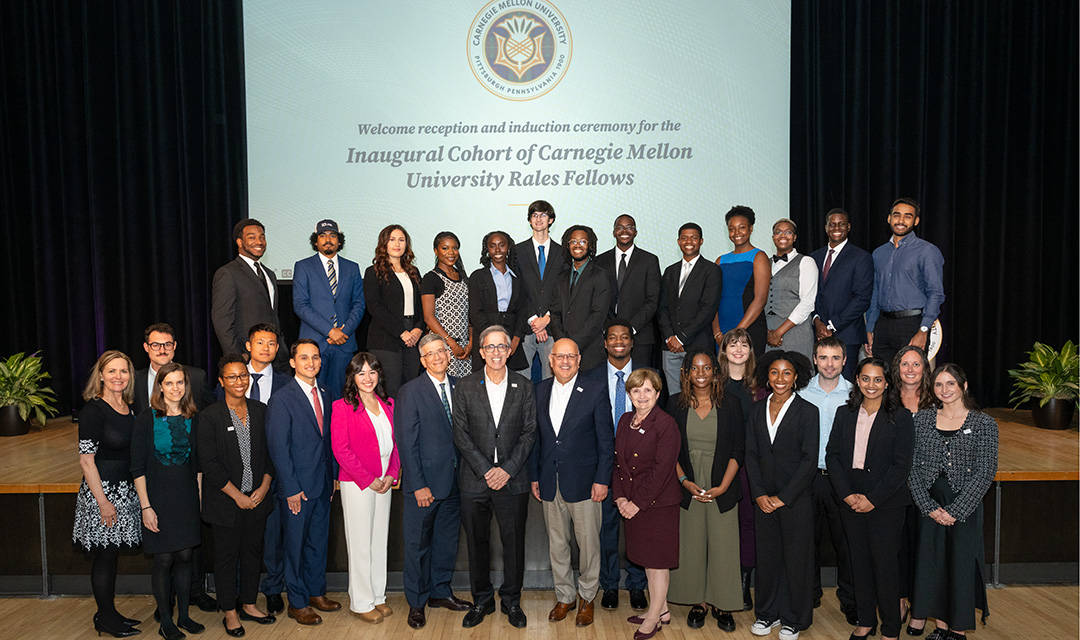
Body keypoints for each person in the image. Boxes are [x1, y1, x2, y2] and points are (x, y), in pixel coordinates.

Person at [453, 325, 537, 628]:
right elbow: (460, 434)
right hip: (475, 480)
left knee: (514, 544)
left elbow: (529, 434)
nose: (496, 352)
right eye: (490, 347)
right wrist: (487, 470)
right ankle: (482, 601)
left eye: (502, 346)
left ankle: (512, 601)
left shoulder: (524, 386)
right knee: (477, 543)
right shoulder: (464, 386)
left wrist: (507, 470)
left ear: (509, 350)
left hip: (513, 480)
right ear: (481, 351)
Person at [825, 357, 915, 640]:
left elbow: (901, 466)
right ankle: (865, 621)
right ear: (857, 380)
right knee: (858, 562)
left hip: (885, 502)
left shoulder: (900, 417)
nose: (871, 385)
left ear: (887, 382)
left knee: (885, 565)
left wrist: (872, 499)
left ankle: (890, 629)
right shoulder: (844, 413)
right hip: (850, 498)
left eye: (878, 379)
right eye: (865, 378)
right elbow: (833, 456)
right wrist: (847, 494)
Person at [908, 364, 997, 639]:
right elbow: (910, 468)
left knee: (959, 564)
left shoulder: (984, 423)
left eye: (950, 384)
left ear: (963, 386)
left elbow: (986, 470)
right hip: (929, 507)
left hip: (965, 508)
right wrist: (929, 507)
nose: (944, 390)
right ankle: (941, 625)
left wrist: (957, 510)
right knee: (931, 565)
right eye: (938, 385)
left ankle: (957, 628)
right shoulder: (920, 420)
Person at [530, 338, 614, 627]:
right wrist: (534, 476)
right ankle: (565, 596)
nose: (565, 362)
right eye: (559, 357)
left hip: (585, 483)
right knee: (557, 544)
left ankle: (587, 597)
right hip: (549, 482)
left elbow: (607, 441)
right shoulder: (539, 390)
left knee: (589, 545)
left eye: (571, 357)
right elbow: (536, 439)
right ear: (550, 360)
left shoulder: (595, 390)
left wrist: (602, 479)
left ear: (579, 360)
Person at [397, 334, 474, 629]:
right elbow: (406, 441)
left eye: (440, 351)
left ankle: (440, 592)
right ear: (422, 360)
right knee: (417, 546)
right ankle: (416, 602)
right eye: (429, 354)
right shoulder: (410, 391)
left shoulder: (461, 386)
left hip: (457, 483)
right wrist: (417, 484)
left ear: (448, 354)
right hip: (425, 485)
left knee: (446, 542)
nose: (437, 357)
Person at [667, 349, 745, 633]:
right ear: (686, 372)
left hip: (721, 482)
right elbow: (669, 450)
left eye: (707, 368)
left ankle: (722, 603)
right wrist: (684, 481)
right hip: (688, 483)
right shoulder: (674, 404)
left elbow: (739, 448)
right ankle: (697, 601)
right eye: (695, 368)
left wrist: (724, 486)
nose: (701, 374)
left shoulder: (731, 404)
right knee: (692, 544)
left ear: (715, 372)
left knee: (724, 546)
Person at [199, 354, 277, 637]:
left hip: (258, 499)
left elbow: (272, 454)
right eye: (232, 377)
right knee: (227, 558)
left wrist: (265, 486)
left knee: (253, 553)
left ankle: (248, 603)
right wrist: (237, 496)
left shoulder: (261, 410)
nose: (239, 381)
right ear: (221, 381)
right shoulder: (209, 417)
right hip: (226, 503)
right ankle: (229, 611)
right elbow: (209, 465)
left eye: (242, 375)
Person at [745, 351, 818, 640]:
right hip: (764, 499)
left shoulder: (808, 411)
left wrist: (784, 497)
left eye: (786, 373)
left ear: (796, 376)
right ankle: (767, 614)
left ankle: (793, 619)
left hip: (795, 500)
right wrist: (760, 494)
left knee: (796, 560)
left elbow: (809, 460)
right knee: (767, 557)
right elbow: (750, 454)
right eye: (774, 372)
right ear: (767, 375)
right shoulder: (756, 409)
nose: (780, 378)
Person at [265, 340, 340, 625]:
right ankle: (296, 601)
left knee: (318, 543)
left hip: (322, 484)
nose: (311, 362)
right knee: (294, 546)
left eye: (316, 357)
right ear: (293, 363)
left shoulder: (326, 393)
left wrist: (332, 478)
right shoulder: (282, 399)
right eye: (304, 358)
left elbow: (327, 441)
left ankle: (315, 593)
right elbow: (278, 448)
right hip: (297, 488)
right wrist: (290, 488)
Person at [131, 363, 205, 640]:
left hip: (185, 496)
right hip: (158, 499)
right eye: (170, 383)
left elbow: (197, 465)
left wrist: (197, 500)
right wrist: (145, 507)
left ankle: (184, 616)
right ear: (159, 386)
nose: (176, 388)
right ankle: (165, 620)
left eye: (180, 383)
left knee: (186, 556)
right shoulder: (146, 418)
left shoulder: (192, 417)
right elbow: (137, 467)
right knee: (163, 560)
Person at [73, 351, 142, 638]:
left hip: (125, 491)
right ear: (100, 375)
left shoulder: (128, 406)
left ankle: (110, 613)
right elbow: (86, 460)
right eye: (111, 371)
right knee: (104, 556)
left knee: (112, 555)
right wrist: (103, 502)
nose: (118, 377)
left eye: (123, 371)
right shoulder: (93, 410)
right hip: (103, 494)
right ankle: (104, 618)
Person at [584, 319, 649, 611]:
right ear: (605, 343)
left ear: (632, 342)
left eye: (625, 336)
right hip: (604, 466)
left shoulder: (649, 376)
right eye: (613, 337)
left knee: (639, 529)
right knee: (607, 530)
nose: (619, 341)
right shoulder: (591, 377)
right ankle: (609, 585)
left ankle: (637, 586)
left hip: (640, 467)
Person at [331, 352, 401, 623]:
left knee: (378, 541)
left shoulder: (389, 403)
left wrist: (392, 474)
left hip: (384, 482)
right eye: (361, 373)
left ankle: (377, 596)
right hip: (358, 482)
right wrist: (368, 478)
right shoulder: (343, 406)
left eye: (372, 372)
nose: (368, 378)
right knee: (360, 542)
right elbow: (341, 450)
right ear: (353, 377)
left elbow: (396, 444)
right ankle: (360, 602)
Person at [611, 368, 681, 640]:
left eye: (648, 390)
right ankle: (661, 609)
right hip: (630, 501)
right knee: (647, 560)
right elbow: (618, 463)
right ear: (629, 394)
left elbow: (662, 471)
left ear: (658, 394)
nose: (642, 396)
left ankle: (653, 618)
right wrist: (619, 497)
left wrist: (636, 503)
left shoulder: (666, 424)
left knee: (657, 562)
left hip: (657, 504)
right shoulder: (625, 419)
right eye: (636, 390)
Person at [797, 336, 857, 623]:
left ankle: (850, 599)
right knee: (808, 541)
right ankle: (809, 596)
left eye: (835, 358)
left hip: (842, 480)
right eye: (823, 357)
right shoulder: (802, 392)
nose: (829, 363)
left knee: (846, 543)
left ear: (844, 360)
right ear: (815, 359)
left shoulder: (856, 394)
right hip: (809, 477)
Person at [242, 324, 291, 616]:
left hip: (275, 468)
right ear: (249, 346)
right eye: (260, 342)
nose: (266, 348)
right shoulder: (232, 377)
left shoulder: (287, 383)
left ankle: (273, 589)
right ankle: (239, 591)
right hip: (239, 470)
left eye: (272, 343)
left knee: (274, 535)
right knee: (240, 537)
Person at [865, 198, 945, 367]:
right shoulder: (879, 253)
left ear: (916, 221)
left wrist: (923, 330)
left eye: (907, 216)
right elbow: (875, 292)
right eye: (897, 215)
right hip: (883, 325)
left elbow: (935, 293)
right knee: (884, 380)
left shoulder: (927, 251)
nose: (901, 221)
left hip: (912, 325)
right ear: (889, 219)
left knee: (911, 381)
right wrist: (870, 328)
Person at [293, 219, 366, 401]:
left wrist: (344, 331)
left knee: (342, 397)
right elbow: (300, 305)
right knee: (313, 397)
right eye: (323, 236)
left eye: (333, 236)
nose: (328, 239)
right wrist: (330, 331)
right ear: (315, 241)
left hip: (344, 343)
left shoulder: (353, 267)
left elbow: (359, 303)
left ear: (339, 241)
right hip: (314, 343)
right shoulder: (303, 266)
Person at [891, 345, 933, 634]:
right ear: (897, 368)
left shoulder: (935, 400)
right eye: (904, 364)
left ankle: (920, 609)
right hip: (894, 486)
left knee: (922, 549)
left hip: (927, 487)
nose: (910, 369)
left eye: (915, 364)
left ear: (924, 369)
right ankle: (899, 600)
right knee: (896, 549)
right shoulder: (887, 399)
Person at [718, 328, 760, 612]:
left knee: (748, 523)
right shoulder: (713, 384)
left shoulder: (760, 387)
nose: (738, 349)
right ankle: (720, 582)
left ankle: (744, 584)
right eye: (732, 344)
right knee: (722, 525)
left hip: (751, 466)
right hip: (720, 464)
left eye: (744, 345)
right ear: (724, 351)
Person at [212, 218, 286, 369]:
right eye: (252, 237)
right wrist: (237, 357)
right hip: (247, 357)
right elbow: (222, 321)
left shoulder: (270, 274)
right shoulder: (227, 273)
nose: (259, 241)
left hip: (276, 357)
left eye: (262, 237)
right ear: (239, 242)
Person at [810, 209, 874, 380]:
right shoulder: (813, 257)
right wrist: (817, 321)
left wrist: (831, 325)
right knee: (820, 386)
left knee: (844, 390)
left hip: (847, 335)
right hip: (818, 334)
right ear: (826, 228)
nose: (836, 227)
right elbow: (811, 294)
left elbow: (862, 298)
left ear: (849, 227)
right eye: (832, 224)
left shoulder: (861, 257)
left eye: (841, 224)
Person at [363, 224, 426, 398]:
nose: (397, 244)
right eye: (392, 240)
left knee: (411, 389)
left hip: (413, 337)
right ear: (384, 243)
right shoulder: (373, 272)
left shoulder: (413, 272)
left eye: (401, 240)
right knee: (390, 391)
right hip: (386, 339)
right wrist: (401, 332)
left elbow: (421, 306)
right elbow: (375, 307)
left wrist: (418, 328)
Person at [658, 222, 722, 390]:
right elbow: (662, 307)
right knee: (674, 396)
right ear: (678, 241)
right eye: (684, 238)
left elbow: (708, 309)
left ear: (701, 241)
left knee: (700, 395)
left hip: (698, 344)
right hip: (670, 347)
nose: (689, 242)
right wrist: (670, 337)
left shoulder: (712, 270)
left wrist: (681, 338)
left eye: (694, 238)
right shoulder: (670, 271)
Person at [595, 214, 662, 367]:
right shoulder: (600, 261)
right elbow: (597, 300)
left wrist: (629, 330)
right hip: (608, 336)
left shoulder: (649, 260)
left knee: (640, 384)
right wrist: (609, 329)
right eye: (620, 227)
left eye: (629, 227)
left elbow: (652, 301)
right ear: (613, 232)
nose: (624, 231)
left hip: (640, 335)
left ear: (635, 232)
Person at [513, 199, 568, 379]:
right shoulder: (517, 251)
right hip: (526, 327)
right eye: (534, 215)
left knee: (552, 382)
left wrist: (547, 318)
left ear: (551, 220)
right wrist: (534, 320)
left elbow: (565, 291)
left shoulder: (563, 253)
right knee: (520, 383)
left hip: (553, 327)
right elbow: (517, 289)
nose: (538, 219)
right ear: (529, 220)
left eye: (543, 215)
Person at [550, 225, 615, 370]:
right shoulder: (561, 277)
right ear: (567, 245)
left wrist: (573, 345)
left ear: (590, 246)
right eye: (573, 241)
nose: (577, 245)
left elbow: (598, 316)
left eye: (583, 242)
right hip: (563, 353)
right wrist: (562, 343)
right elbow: (554, 312)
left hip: (590, 351)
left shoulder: (600, 275)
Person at [468, 230, 528, 372]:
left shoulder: (517, 278)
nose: (497, 250)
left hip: (511, 338)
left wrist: (515, 340)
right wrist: (492, 339)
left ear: (508, 249)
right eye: (492, 246)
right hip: (485, 337)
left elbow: (522, 310)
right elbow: (475, 312)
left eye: (502, 245)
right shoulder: (477, 276)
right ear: (487, 250)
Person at [715, 206, 770, 357]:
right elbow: (712, 300)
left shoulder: (759, 257)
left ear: (751, 229)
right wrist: (717, 333)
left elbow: (760, 300)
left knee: (749, 378)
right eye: (731, 228)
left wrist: (736, 334)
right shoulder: (720, 260)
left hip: (748, 330)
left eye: (742, 228)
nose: (736, 233)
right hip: (722, 331)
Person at [764, 219, 818, 360]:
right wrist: (768, 332)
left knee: (798, 374)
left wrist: (779, 332)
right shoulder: (764, 263)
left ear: (794, 237)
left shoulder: (806, 262)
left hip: (795, 330)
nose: (783, 235)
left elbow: (807, 302)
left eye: (788, 232)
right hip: (768, 332)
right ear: (773, 238)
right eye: (778, 232)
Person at [421, 231, 473, 378]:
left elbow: (469, 314)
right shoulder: (431, 278)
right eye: (445, 248)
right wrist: (451, 344)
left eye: (455, 248)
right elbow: (429, 318)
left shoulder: (463, 277)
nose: (451, 252)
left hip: (464, 349)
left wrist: (470, 343)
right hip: (442, 347)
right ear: (435, 251)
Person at [134, 323, 213, 416]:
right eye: (155, 345)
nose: (162, 350)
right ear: (146, 347)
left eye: (167, 344)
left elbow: (210, 414)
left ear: (174, 346)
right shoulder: (134, 380)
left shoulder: (197, 377)